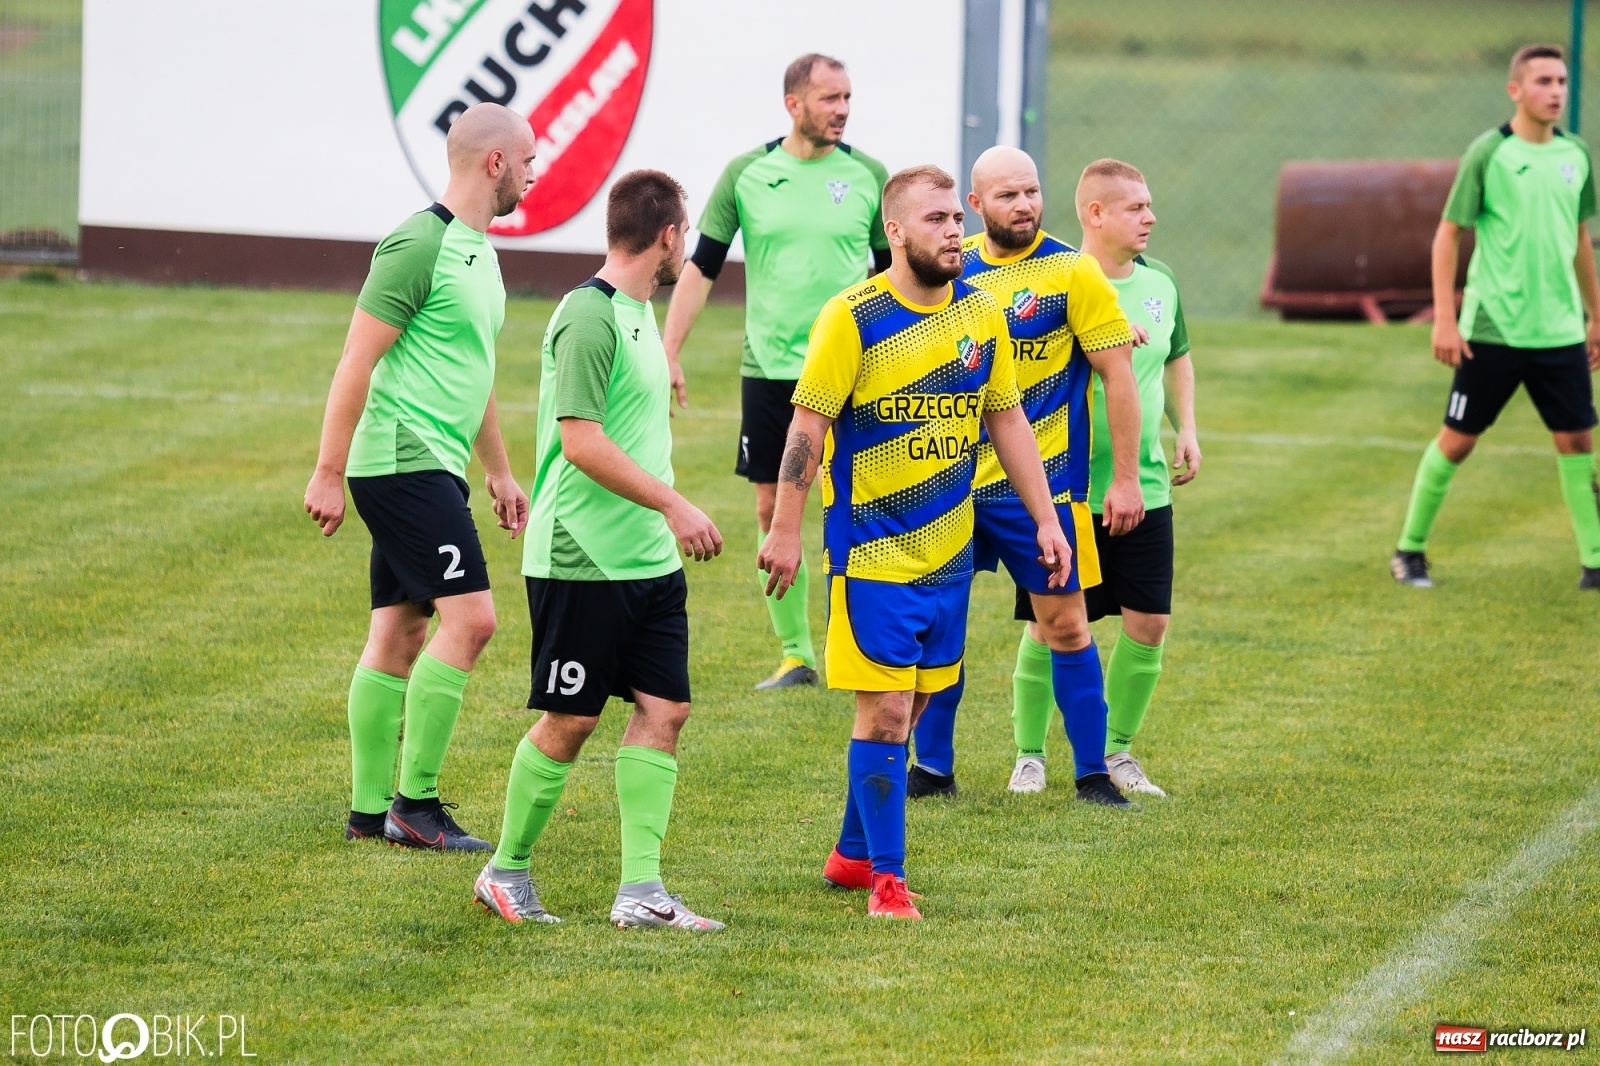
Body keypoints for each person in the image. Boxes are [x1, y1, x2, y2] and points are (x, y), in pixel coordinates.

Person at [758, 165, 1073, 920]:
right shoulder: (854, 317)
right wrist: (785, 528)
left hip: (950, 557)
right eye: (936, 220)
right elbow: (808, 426)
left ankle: (849, 856)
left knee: (917, 706)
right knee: (889, 714)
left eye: (955, 219)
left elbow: (1006, 419)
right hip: (871, 556)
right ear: (895, 232)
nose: (954, 232)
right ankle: (887, 881)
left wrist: (1046, 518)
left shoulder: (981, 313)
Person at [474, 170, 726, 931]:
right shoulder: (589, 316)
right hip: (581, 555)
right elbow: (580, 443)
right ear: (668, 236)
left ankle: (642, 892)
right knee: (571, 719)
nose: (687, 246)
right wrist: (675, 503)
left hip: (648, 560)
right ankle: (504, 871)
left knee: (666, 710)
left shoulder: (640, 311)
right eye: (685, 234)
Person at [305, 102, 534, 850]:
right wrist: (327, 471)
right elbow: (356, 359)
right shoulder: (418, 243)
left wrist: (499, 471)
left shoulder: (480, 252)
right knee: (473, 621)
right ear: (495, 162)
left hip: (430, 463)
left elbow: (473, 370)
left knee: (401, 632)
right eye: (527, 161)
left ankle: (369, 813)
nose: (533, 174)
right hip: (402, 462)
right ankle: (416, 806)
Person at [906, 147, 1143, 806]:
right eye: (1007, 195)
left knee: (1066, 625)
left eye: (1032, 191)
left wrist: (1124, 479)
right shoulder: (952, 269)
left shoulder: (1073, 271)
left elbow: (1118, 377)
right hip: (953, 486)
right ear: (976, 205)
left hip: (1045, 489)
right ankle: (933, 769)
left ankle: (1092, 774)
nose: (1024, 205)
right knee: (938, 629)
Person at [663, 53, 892, 690]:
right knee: (772, 504)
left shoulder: (870, 176)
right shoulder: (746, 174)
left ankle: (863, 647)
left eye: (847, 97)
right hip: (769, 369)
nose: (842, 110)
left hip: (852, 370)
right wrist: (669, 349)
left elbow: (894, 278)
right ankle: (796, 654)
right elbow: (702, 267)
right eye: (829, 98)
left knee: (861, 506)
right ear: (794, 104)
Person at [1007, 159, 1200, 798]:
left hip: (1145, 484)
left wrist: (1186, 427)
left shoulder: (1161, 280)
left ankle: (1118, 752)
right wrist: (1103, 334)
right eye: (1135, 208)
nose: (1150, 218)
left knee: (1149, 624)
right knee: (1050, 625)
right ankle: (1030, 756)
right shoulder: (1058, 278)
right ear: (1095, 214)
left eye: (1149, 205)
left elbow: (1177, 357)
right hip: (1066, 488)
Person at [1391, 43, 1600, 591]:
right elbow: (1448, 234)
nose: (1556, 91)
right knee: (1458, 440)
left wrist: (1595, 317)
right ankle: (1409, 551)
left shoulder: (1576, 154)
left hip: (1559, 330)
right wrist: (1444, 318)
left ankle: (1595, 563)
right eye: (1543, 81)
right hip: (1494, 328)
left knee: (1577, 442)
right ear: (1515, 90)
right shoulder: (1489, 152)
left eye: (1562, 81)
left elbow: (1580, 237)